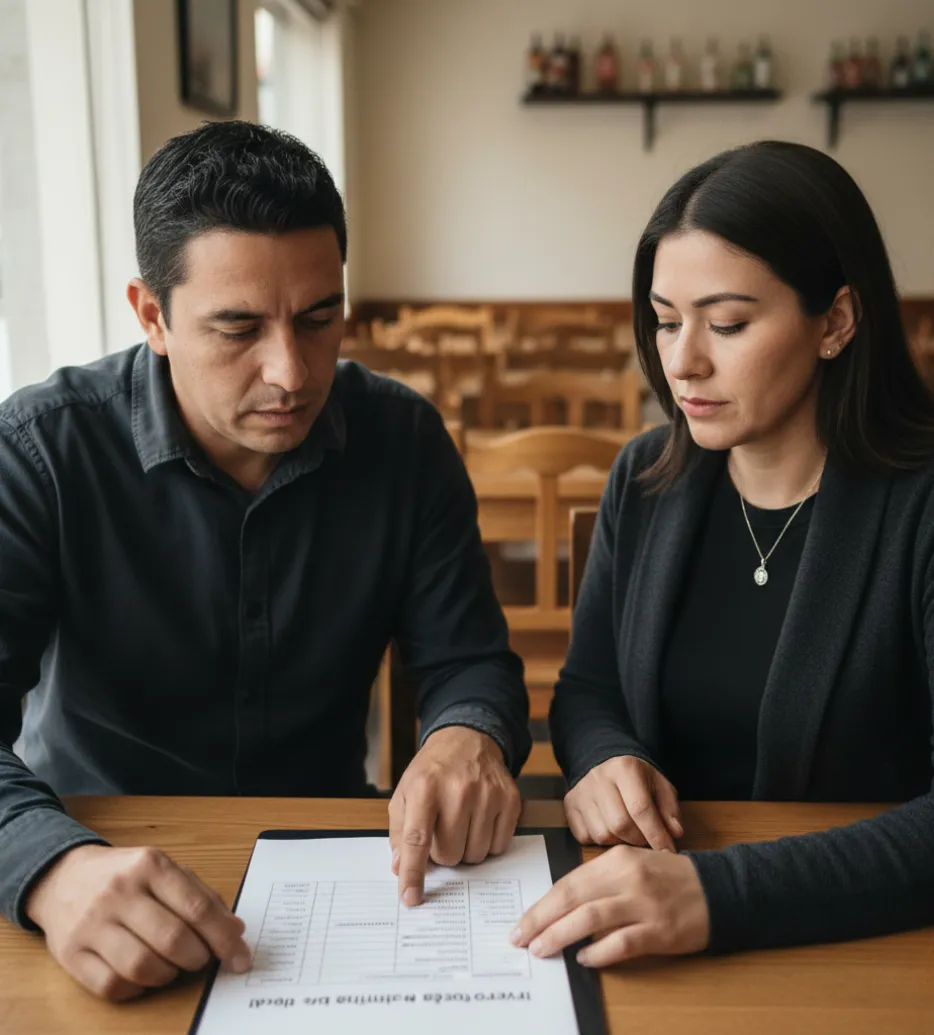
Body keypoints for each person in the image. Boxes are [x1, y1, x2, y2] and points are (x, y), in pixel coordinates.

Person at [0, 121, 529, 1000]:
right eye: (237, 328)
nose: (291, 372)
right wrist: (49, 867)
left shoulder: (402, 439)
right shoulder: (41, 451)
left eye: (320, 319)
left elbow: (468, 659)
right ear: (151, 316)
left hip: (338, 863)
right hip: (95, 859)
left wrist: (465, 733)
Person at [512, 140, 934, 967]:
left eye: (728, 323)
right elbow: (589, 685)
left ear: (837, 322)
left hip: (861, 943)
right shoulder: (646, 476)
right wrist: (604, 757)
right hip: (652, 931)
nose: (681, 360)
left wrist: (719, 894)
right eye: (666, 321)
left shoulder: (917, 507)